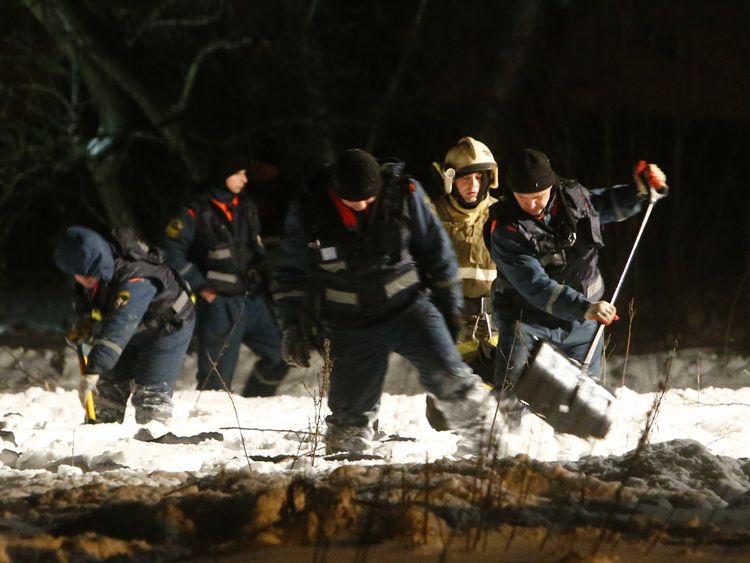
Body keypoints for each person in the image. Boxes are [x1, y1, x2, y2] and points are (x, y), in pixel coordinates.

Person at [272, 148, 496, 456]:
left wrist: (449, 310)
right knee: (348, 421)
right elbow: (289, 273)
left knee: (450, 375)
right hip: (349, 324)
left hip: (411, 310)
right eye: (353, 201)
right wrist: (291, 327)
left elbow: (437, 252)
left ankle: (486, 438)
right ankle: (348, 462)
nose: (363, 205)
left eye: (369, 198)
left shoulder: (403, 194)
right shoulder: (311, 208)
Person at [485, 148, 668, 400]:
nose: (531, 204)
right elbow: (535, 285)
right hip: (526, 321)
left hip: (581, 326)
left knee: (583, 404)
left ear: (552, 186)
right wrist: (584, 307)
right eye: (522, 197)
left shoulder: (574, 200)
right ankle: (502, 434)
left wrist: (639, 191)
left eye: (538, 196)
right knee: (511, 397)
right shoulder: (505, 229)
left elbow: (607, 204)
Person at [162, 152, 289, 397]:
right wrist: (201, 286)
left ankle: (256, 401)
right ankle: (210, 429)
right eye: (239, 173)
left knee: (281, 355)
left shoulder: (245, 206)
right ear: (225, 175)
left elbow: (256, 249)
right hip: (219, 302)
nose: (245, 179)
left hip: (251, 299)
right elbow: (172, 251)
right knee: (216, 379)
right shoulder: (195, 211)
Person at [54, 226, 195, 424]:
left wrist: (92, 371)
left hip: (166, 329)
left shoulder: (135, 277)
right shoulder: (98, 272)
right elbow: (94, 308)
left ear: (92, 265)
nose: (78, 279)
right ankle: (101, 446)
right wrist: (85, 324)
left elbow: (119, 326)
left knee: (151, 400)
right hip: (132, 330)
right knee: (107, 396)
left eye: (81, 273)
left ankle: (154, 445)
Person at [431, 136, 499, 382]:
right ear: (450, 179)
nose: (473, 185)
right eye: (465, 178)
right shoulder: (431, 215)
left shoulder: (502, 216)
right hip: (450, 324)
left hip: (495, 324)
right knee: (448, 406)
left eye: (479, 178)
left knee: (497, 396)